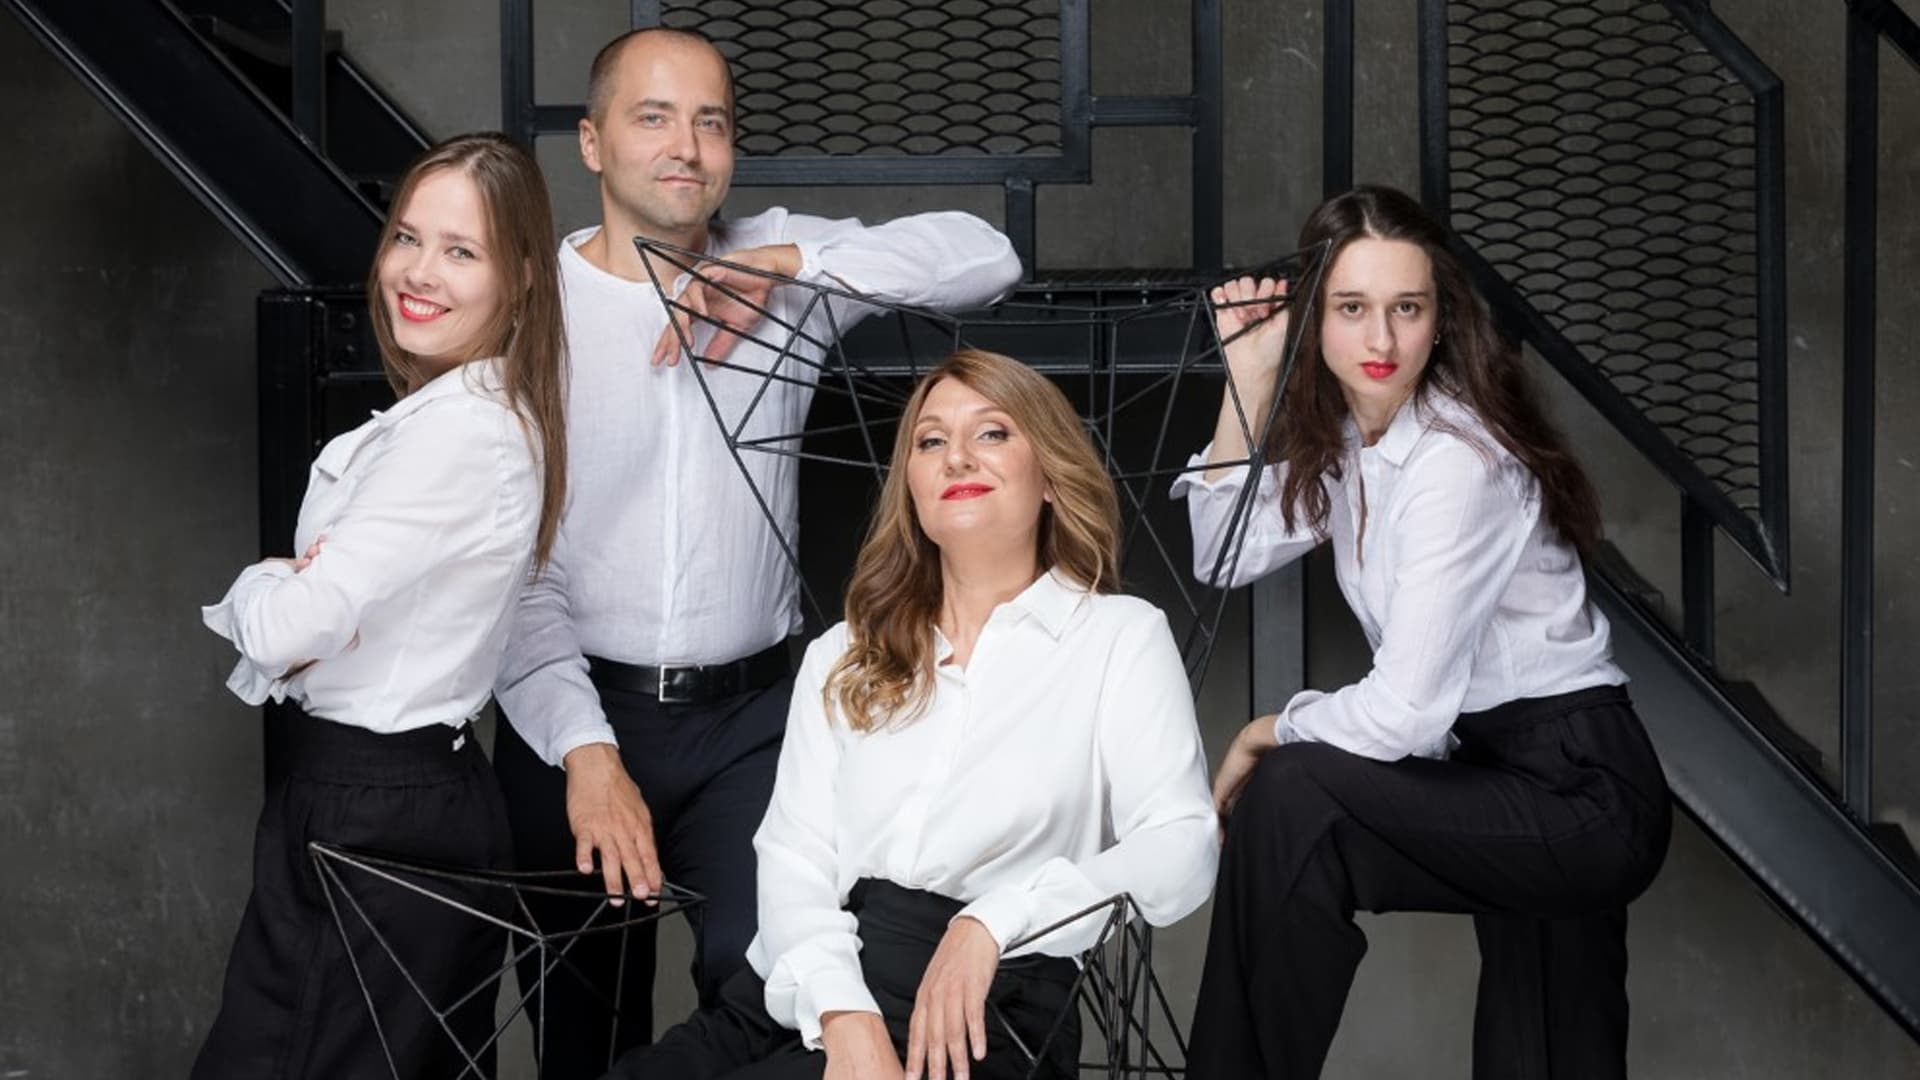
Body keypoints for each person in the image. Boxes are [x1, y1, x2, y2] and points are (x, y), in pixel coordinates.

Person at [491, 26, 1025, 1076]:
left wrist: (781, 264)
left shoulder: (784, 265)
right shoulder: (530, 308)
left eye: (712, 122)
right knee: (580, 1024)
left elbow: (986, 257)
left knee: (774, 996)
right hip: (569, 709)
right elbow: (513, 571)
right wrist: (585, 753)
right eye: (653, 118)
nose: (686, 146)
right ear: (593, 144)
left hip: (751, 725)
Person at [600, 347, 1217, 1080]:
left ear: (1051, 475)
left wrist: (994, 920)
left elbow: (1181, 843)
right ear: (914, 490)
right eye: (931, 441)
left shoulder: (1117, 638)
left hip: (980, 1005)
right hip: (804, 985)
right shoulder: (844, 653)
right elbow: (795, 859)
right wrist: (845, 1013)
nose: (957, 456)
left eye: (992, 432)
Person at [1174, 185, 1671, 1080]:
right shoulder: (1354, 447)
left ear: (1441, 321)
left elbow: (1404, 713)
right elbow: (1223, 551)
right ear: (1314, 319)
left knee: (1292, 797)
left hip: (1578, 784)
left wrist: (1268, 729)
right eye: (1351, 308)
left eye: (1407, 308)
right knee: (1550, 1052)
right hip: (1492, 768)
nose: (1382, 339)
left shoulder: (1454, 461)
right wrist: (1247, 381)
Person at [190, 133, 567, 1079]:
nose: (419, 272)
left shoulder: (458, 436)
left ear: (521, 278)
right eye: (407, 237)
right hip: (400, 798)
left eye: (461, 251)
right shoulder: (467, 420)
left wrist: (264, 580)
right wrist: (300, 595)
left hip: (377, 807)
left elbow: (289, 628)